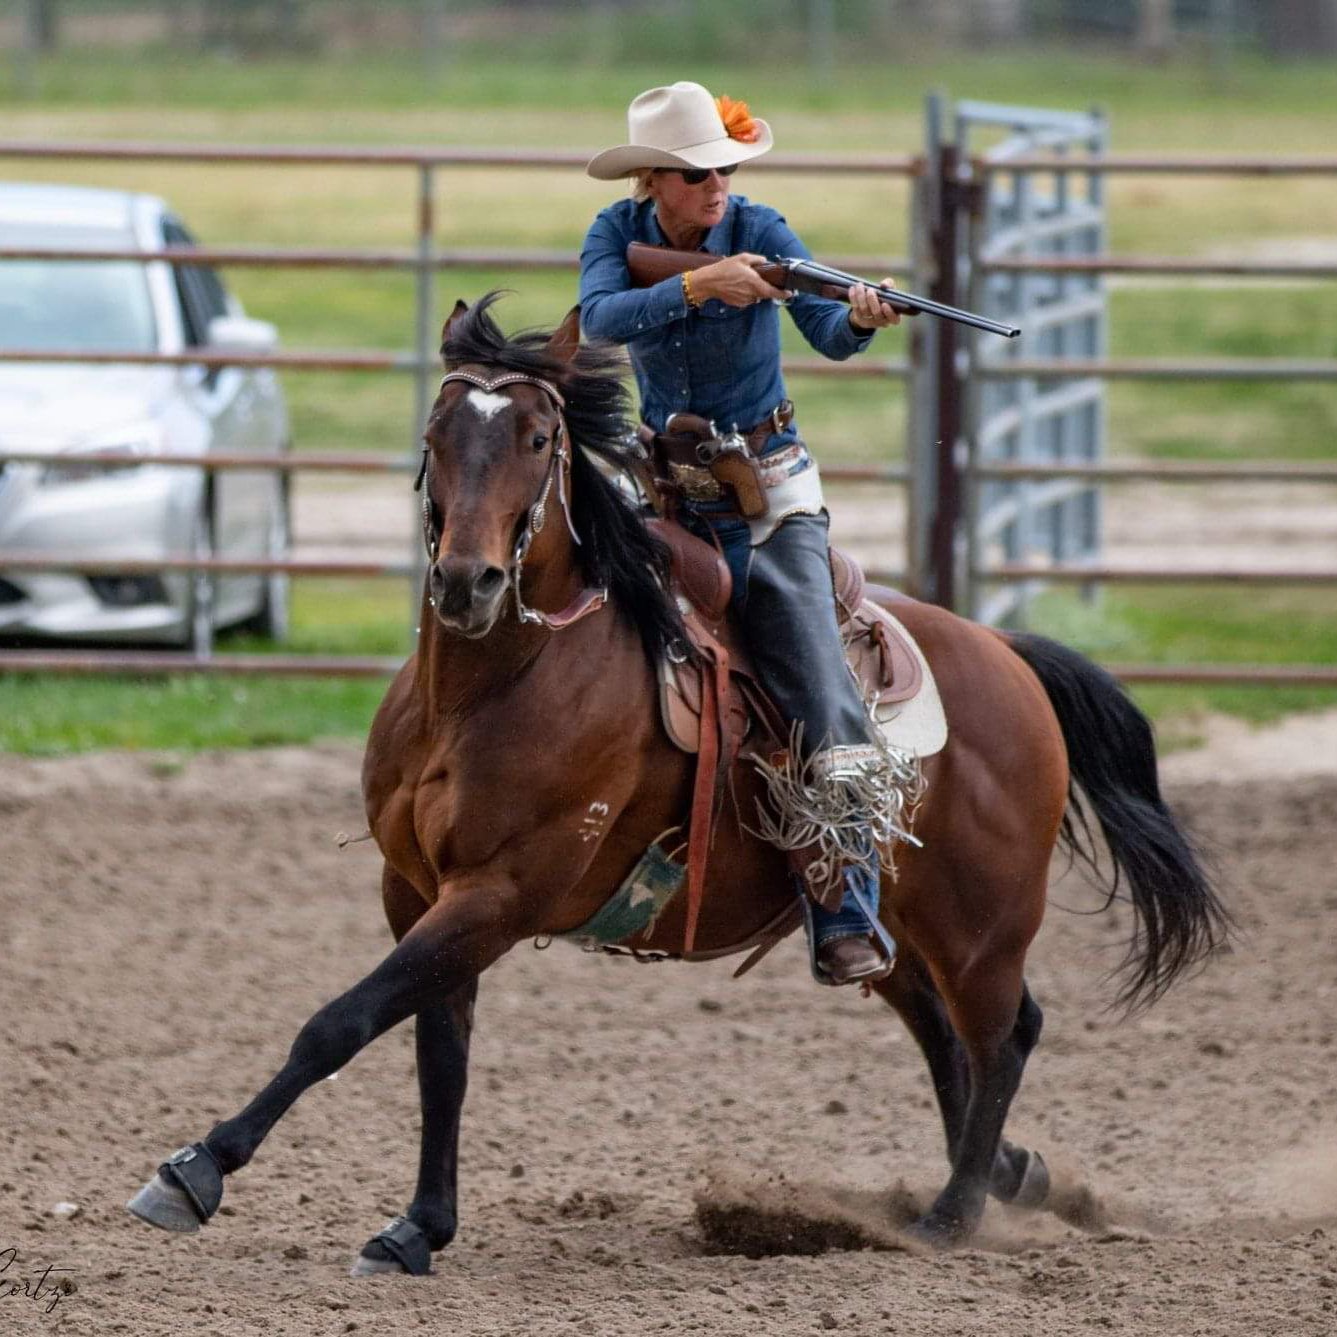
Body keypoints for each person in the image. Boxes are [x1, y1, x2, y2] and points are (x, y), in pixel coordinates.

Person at [579, 81, 904, 987]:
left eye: (723, 169)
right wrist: (694, 284)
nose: (716, 186)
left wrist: (864, 318)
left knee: (814, 675)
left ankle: (846, 905)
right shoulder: (615, 233)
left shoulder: (764, 229)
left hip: (769, 500)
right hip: (663, 497)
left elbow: (829, 331)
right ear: (653, 183)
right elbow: (599, 316)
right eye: (695, 173)